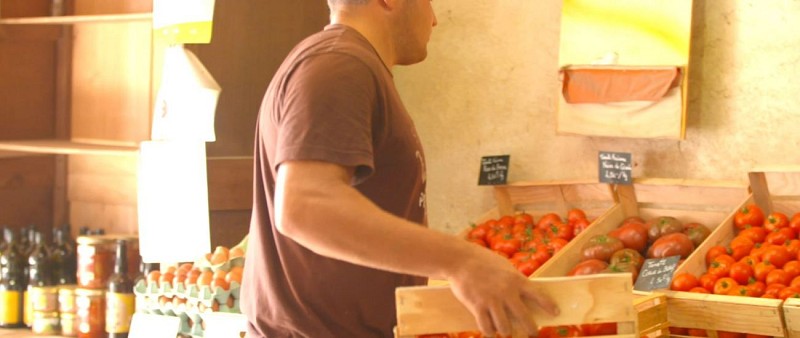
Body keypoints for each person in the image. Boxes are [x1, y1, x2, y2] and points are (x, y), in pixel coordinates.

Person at [240, 0, 559, 337]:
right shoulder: (340, 65)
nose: (434, 20)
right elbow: (305, 207)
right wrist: (462, 261)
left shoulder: (349, 63)